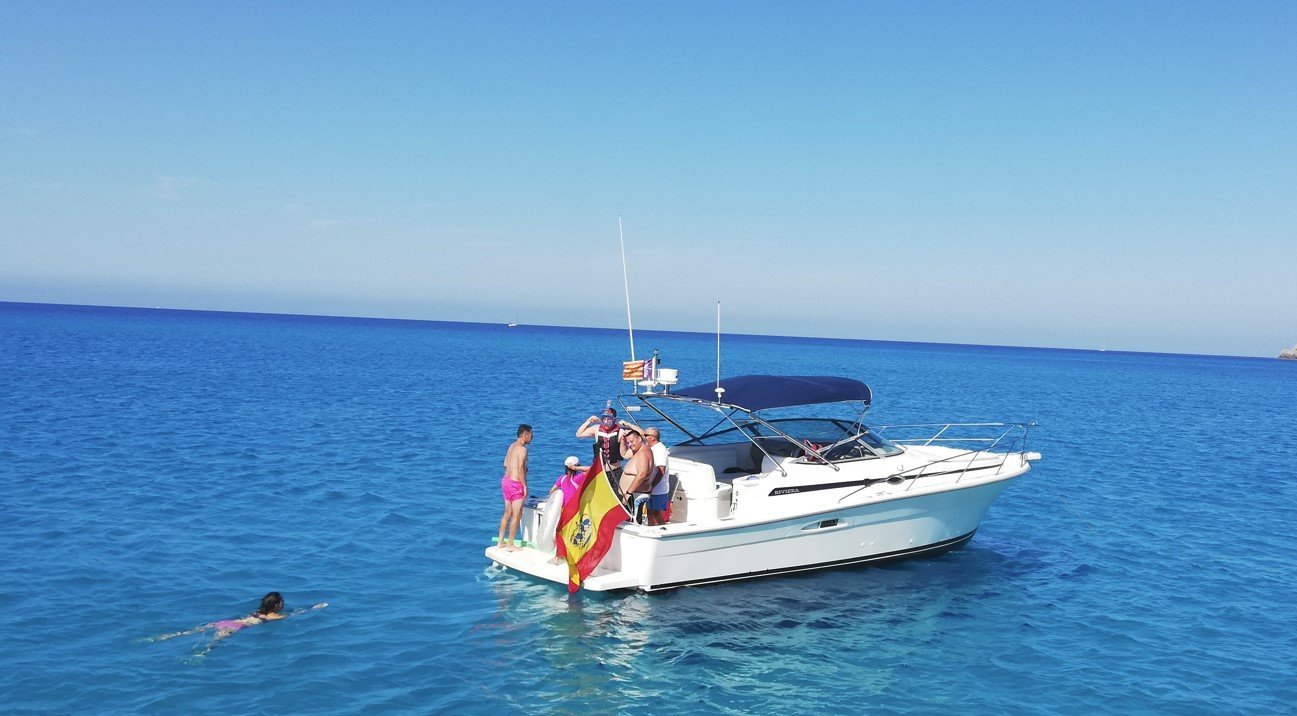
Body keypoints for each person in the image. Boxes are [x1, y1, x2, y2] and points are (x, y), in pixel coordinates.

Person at [144, 592, 327, 658]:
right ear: (276, 605)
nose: (284, 604)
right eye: (282, 602)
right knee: (212, 644)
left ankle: (163, 637)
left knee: (189, 632)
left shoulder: (258, 612)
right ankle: (200, 654)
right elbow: (295, 614)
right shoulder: (274, 617)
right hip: (234, 627)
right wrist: (315, 608)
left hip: (226, 622)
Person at [497, 423, 532, 551]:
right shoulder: (523, 449)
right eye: (531, 435)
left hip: (506, 481)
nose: (532, 438)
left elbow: (505, 463)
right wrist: (524, 486)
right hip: (515, 484)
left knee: (507, 513)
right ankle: (510, 544)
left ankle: (500, 541)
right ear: (526, 435)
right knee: (517, 515)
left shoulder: (511, 446)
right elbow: (520, 469)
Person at [617, 424, 654, 523]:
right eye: (628, 442)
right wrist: (623, 440)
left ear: (640, 439)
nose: (630, 444)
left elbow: (642, 474)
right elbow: (624, 454)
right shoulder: (637, 451)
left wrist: (629, 493)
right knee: (627, 521)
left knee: (634, 522)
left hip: (634, 496)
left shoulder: (643, 453)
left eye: (632, 441)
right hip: (631, 496)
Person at [576, 406, 623, 479]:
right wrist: (589, 421)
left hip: (615, 471)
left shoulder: (620, 432)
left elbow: (639, 436)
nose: (606, 422)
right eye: (604, 419)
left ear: (614, 419)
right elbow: (579, 434)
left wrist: (628, 425)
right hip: (599, 472)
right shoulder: (596, 429)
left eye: (609, 419)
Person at [644, 427, 671, 526]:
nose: (644, 437)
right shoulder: (652, 449)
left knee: (657, 514)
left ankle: (664, 530)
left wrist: (651, 485)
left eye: (646, 435)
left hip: (658, 489)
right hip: (652, 488)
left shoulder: (660, 450)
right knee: (650, 513)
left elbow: (661, 471)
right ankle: (651, 529)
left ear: (653, 438)